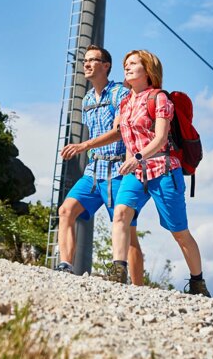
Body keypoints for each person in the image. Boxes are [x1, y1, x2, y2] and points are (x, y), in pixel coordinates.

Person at [107, 49, 210, 296]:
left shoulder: (159, 98)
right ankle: (118, 271)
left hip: (163, 171)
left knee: (179, 232)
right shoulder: (125, 102)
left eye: (133, 63)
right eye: (126, 64)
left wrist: (139, 157)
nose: (127, 67)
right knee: (120, 214)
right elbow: (125, 137)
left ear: (148, 70)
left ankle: (198, 283)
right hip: (136, 172)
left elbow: (161, 138)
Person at [56, 45, 145, 285]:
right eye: (85, 60)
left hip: (118, 171)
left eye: (92, 60)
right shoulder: (86, 100)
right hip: (94, 171)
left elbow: (119, 132)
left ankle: (138, 288)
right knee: (66, 211)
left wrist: (83, 146)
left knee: (129, 234)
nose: (86, 64)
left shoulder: (119, 94)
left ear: (105, 66)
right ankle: (65, 266)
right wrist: (88, 149)